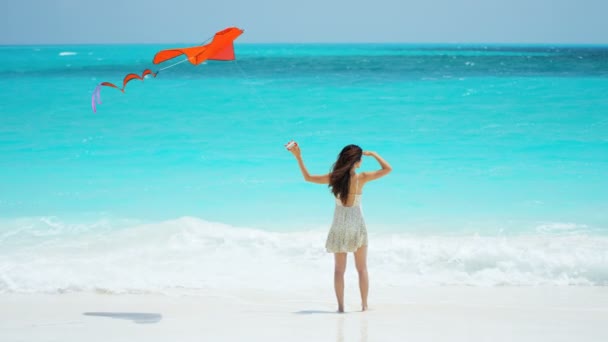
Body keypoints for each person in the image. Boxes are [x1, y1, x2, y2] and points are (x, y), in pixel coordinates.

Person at [287, 142, 392, 312]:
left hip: (339, 225)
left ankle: (341, 307)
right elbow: (388, 169)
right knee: (362, 268)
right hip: (357, 225)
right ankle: (364, 306)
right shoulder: (362, 178)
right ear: (357, 161)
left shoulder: (334, 178)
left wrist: (299, 157)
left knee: (339, 270)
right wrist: (373, 154)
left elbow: (308, 177)